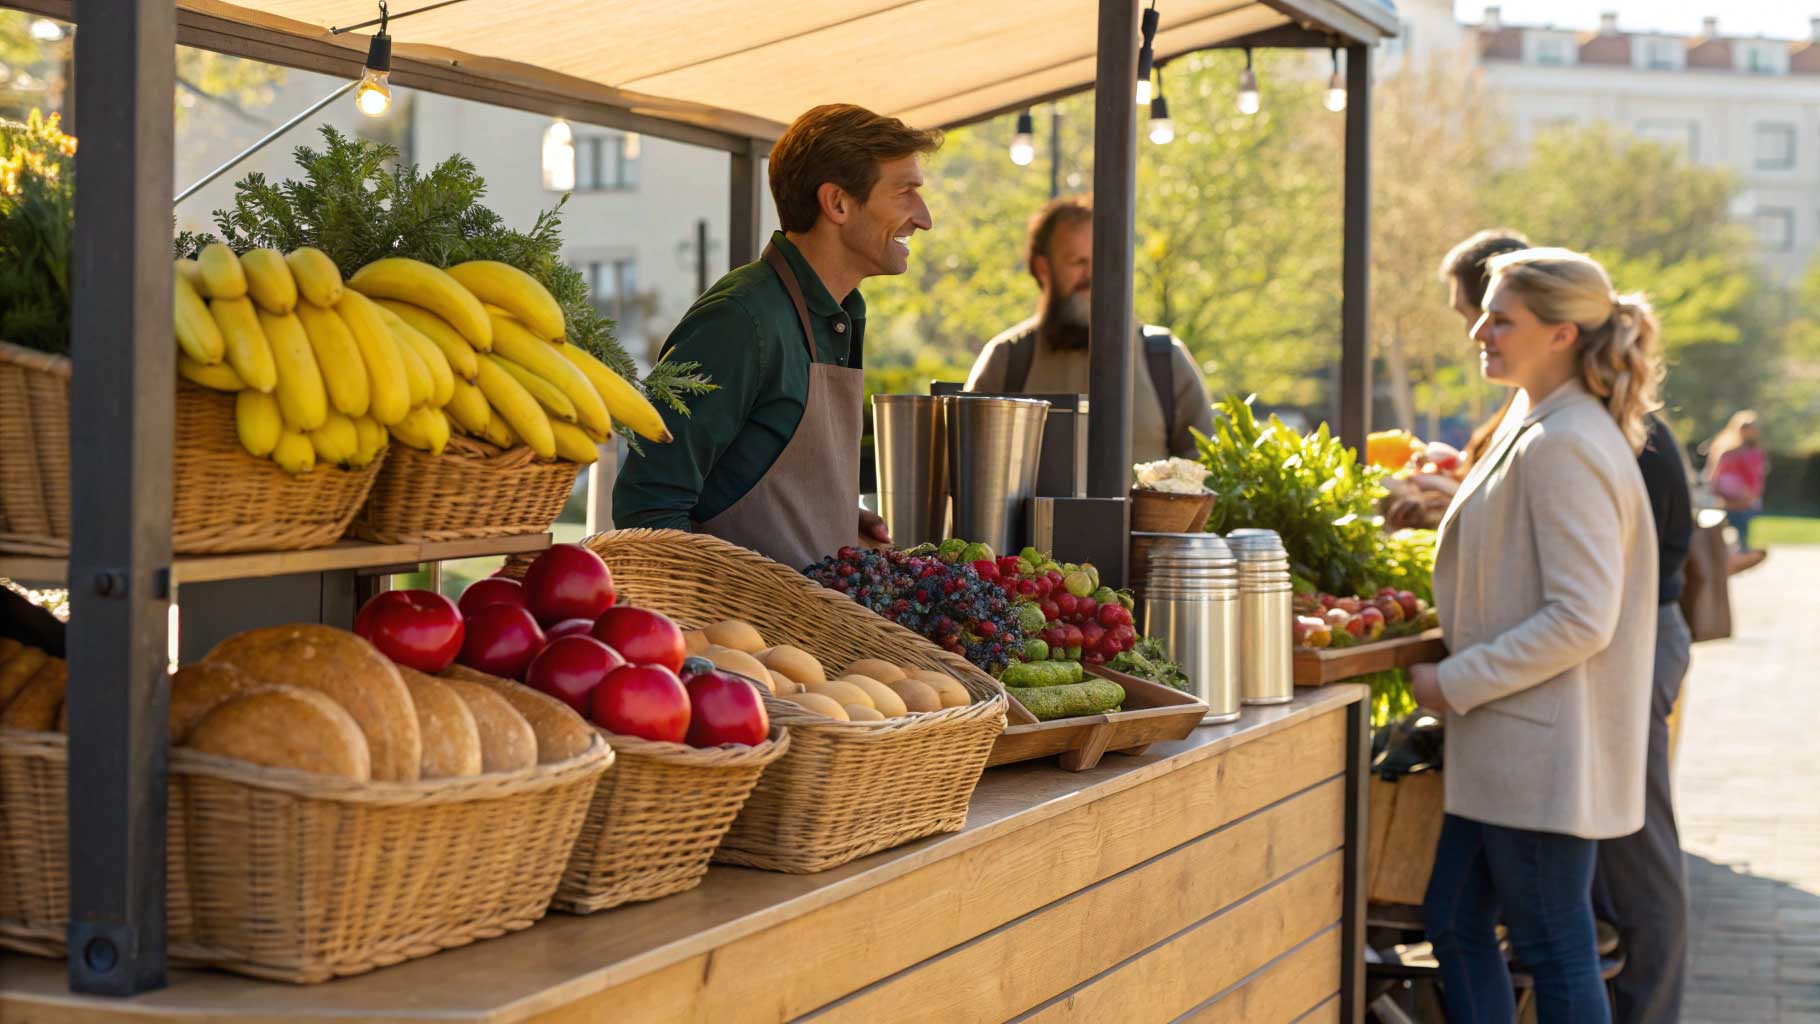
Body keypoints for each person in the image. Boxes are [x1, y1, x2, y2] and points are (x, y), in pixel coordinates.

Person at [1442, 230, 1696, 1022]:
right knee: (1453, 919)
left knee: (1552, 946)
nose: (1480, 333)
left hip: (1541, 754)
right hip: (1513, 746)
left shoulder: (1566, 442)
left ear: (1562, 334)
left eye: (1500, 319)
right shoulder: (1543, 421)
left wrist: (1451, 681)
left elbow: (1584, 616)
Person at [613, 104, 940, 568]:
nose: (923, 218)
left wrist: (834, 516)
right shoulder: (739, 320)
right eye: (906, 192)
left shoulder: (840, 312)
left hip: (803, 632)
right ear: (838, 203)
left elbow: (743, 475)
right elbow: (648, 509)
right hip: (744, 637)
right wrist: (728, 622)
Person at [962, 196, 1214, 462]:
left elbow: (1204, 471)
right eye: (1078, 262)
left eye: (1103, 261)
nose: (1093, 275)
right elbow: (964, 466)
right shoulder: (1006, 360)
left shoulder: (1165, 359)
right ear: (1042, 268)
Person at [1702, 409, 1769, 572]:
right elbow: (1716, 474)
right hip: (1728, 499)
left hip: (1746, 500)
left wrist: (1753, 493)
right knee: (1725, 527)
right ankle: (1727, 555)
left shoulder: (1755, 453)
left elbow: (1758, 476)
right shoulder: (1728, 452)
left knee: (1742, 527)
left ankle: (1741, 553)